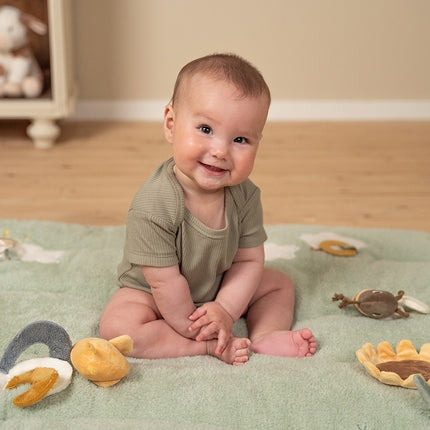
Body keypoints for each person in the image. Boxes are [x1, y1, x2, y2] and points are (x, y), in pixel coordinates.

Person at [100, 53, 316, 365]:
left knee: (279, 284)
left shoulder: (245, 196)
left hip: (220, 283)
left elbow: (248, 260)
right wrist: (203, 331)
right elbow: (164, 282)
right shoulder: (153, 205)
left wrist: (226, 309)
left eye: (240, 139)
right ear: (171, 125)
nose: (220, 151)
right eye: (205, 129)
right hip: (155, 294)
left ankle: (266, 334)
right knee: (118, 328)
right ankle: (202, 348)